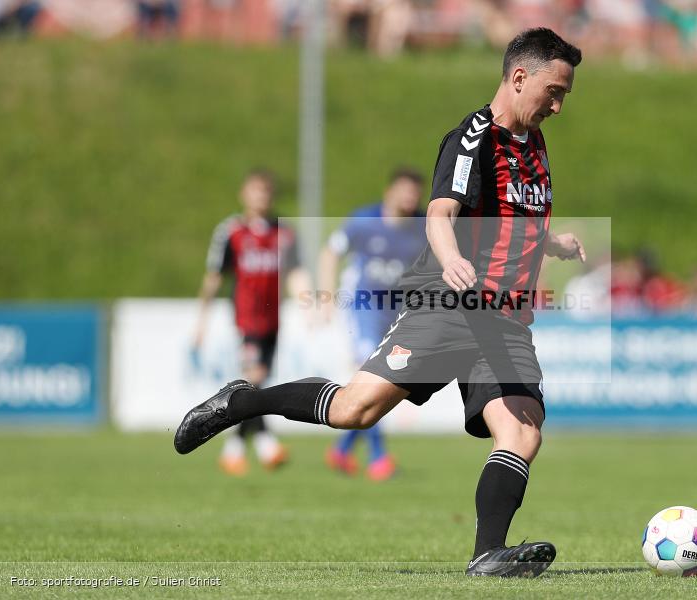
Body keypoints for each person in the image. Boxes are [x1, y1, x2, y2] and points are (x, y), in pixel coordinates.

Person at [175, 27, 585, 577]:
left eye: (564, 94)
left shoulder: (533, 142)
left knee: (523, 430)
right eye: (554, 91)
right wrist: (453, 260)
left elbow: (515, 216)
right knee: (354, 410)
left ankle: (487, 554)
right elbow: (442, 215)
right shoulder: (472, 137)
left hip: (504, 318)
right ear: (519, 77)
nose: (558, 105)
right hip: (448, 302)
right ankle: (243, 403)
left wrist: (550, 241)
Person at [193, 169, 308, 476]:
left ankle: (234, 450)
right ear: (243, 194)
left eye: (266, 191)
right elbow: (215, 276)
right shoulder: (231, 232)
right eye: (256, 190)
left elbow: (296, 272)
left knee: (257, 384)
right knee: (253, 380)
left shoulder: (285, 232)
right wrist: (201, 321)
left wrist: (308, 303)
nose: (262, 197)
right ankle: (266, 444)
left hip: (273, 321)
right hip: (246, 320)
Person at [320, 167, 427, 481]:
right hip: (363, 308)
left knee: (389, 384)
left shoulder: (423, 226)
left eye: (415, 193)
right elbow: (330, 252)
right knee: (371, 378)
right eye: (404, 190)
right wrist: (325, 296)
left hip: (398, 312)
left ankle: (342, 450)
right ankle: (379, 458)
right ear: (389, 192)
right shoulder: (364, 221)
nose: (410, 198)